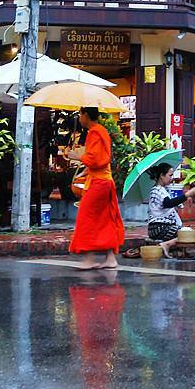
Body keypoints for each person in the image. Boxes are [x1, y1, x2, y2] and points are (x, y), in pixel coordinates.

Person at [68, 107, 124, 270]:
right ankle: (110, 258)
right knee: (105, 219)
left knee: (87, 217)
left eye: (80, 114)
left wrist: (77, 156)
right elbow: (101, 160)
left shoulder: (94, 132)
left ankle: (90, 258)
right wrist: (85, 172)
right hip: (103, 180)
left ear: (86, 115)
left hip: (99, 183)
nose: (79, 118)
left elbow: (95, 160)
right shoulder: (102, 131)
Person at [145, 163, 195, 257]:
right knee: (188, 234)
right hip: (159, 228)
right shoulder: (157, 190)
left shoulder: (163, 189)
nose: (172, 178)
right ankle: (167, 245)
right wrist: (187, 195)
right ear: (162, 176)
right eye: (170, 175)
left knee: (188, 232)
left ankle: (177, 251)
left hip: (162, 227)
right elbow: (168, 203)